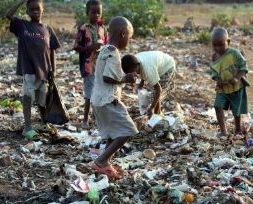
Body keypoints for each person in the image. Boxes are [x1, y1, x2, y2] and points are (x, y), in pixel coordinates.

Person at [90, 16, 138, 179]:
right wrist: (126, 79)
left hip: (98, 100)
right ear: (123, 33)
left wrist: (123, 78)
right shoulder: (113, 52)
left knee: (112, 134)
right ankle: (101, 160)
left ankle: (105, 164)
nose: (128, 42)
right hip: (106, 101)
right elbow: (107, 78)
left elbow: (109, 76)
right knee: (127, 130)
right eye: (129, 38)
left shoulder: (105, 49)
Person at [6, 0, 61, 139]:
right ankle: (27, 128)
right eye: (31, 9)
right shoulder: (22, 25)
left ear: (43, 10)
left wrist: (53, 70)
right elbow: (8, 15)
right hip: (29, 69)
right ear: (27, 12)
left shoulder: (48, 29)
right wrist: (21, 2)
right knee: (28, 98)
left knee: (42, 99)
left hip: (44, 70)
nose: (35, 11)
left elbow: (52, 50)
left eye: (38, 9)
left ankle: (43, 123)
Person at [74, 0, 108, 129]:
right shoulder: (84, 28)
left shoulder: (103, 28)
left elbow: (107, 44)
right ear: (87, 13)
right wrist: (90, 47)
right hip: (88, 66)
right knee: (89, 94)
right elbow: (76, 47)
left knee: (100, 92)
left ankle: (97, 118)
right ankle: (85, 120)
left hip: (101, 66)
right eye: (93, 12)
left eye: (99, 12)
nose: (96, 15)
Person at [210, 27, 249, 136]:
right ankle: (223, 131)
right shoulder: (214, 57)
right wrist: (218, 80)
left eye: (221, 44)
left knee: (236, 110)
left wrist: (237, 78)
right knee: (218, 106)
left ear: (228, 42)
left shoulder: (234, 53)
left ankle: (238, 129)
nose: (217, 48)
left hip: (236, 87)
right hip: (222, 88)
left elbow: (244, 67)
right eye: (215, 45)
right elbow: (214, 72)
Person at [121, 51, 176, 117]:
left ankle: (157, 115)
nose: (133, 75)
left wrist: (151, 108)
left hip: (167, 67)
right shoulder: (134, 61)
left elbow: (158, 90)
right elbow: (141, 71)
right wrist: (142, 82)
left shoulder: (147, 70)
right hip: (157, 62)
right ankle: (157, 113)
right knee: (152, 93)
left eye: (133, 73)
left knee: (154, 95)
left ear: (136, 67)